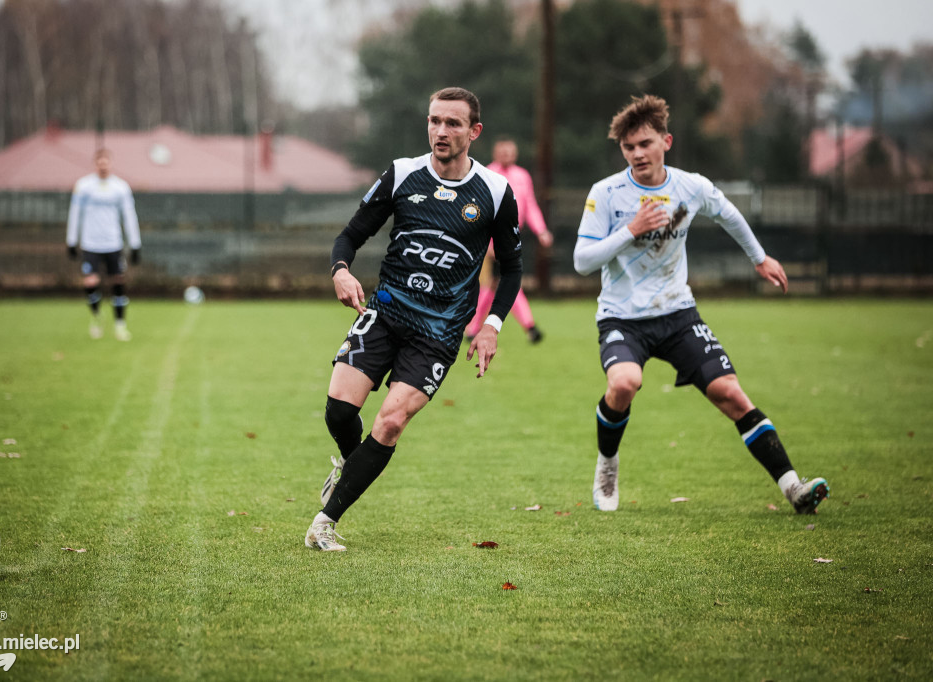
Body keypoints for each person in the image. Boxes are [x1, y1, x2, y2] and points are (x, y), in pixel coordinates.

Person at [573, 95, 828, 514]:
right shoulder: (607, 193)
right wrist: (630, 230)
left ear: (666, 142)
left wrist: (759, 258)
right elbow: (583, 262)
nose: (637, 153)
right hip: (623, 317)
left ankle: (793, 489)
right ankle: (607, 465)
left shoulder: (690, 187)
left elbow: (729, 215)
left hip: (677, 315)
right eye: (628, 147)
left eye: (645, 143)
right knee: (623, 384)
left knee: (730, 393)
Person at [305, 87, 523, 551]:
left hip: (438, 335)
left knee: (388, 424)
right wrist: (340, 271)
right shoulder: (403, 174)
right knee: (340, 411)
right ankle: (351, 467)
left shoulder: (497, 192)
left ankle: (325, 521)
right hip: (384, 315)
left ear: (474, 131)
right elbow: (350, 236)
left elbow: (513, 268)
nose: (440, 131)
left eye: (453, 123)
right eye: (434, 121)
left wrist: (492, 325)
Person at [465, 138, 553, 343]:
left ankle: (473, 328)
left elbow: (529, 205)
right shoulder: (486, 173)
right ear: (496, 153)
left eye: (510, 152)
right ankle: (529, 327)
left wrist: (541, 231)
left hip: (512, 237)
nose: (506, 155)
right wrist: (487, 244)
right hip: (489, 238)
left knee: (497, 283)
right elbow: (478, 209)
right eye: (502, 152)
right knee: (500, 282)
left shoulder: (522, 176)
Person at [66, 148, 141, 341]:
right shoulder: (83, 186)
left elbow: (129, 216)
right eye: (100, 162)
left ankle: (120, 325)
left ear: (110, 163)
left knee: (118, 281)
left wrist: (135, 243)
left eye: (106, 162)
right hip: (91, 244)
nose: (103, 166)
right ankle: (97, 316)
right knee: (91, 282)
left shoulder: (120, 187)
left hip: (113, 243)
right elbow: (75, 214)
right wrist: (71, 241)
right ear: (95, 164)